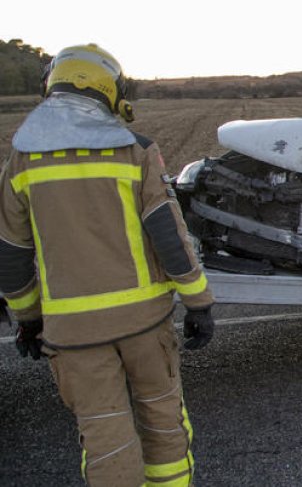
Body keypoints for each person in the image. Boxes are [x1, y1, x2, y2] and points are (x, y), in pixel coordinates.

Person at [0, 44, 214, 486]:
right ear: (108, 90)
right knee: (163, 423)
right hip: (145, 324)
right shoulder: (133, 152)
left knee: (105, 438)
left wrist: (26, 319)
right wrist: (199, 303)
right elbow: (169, 238)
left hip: (75, 335)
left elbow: (11, 253)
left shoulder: (21, 160)